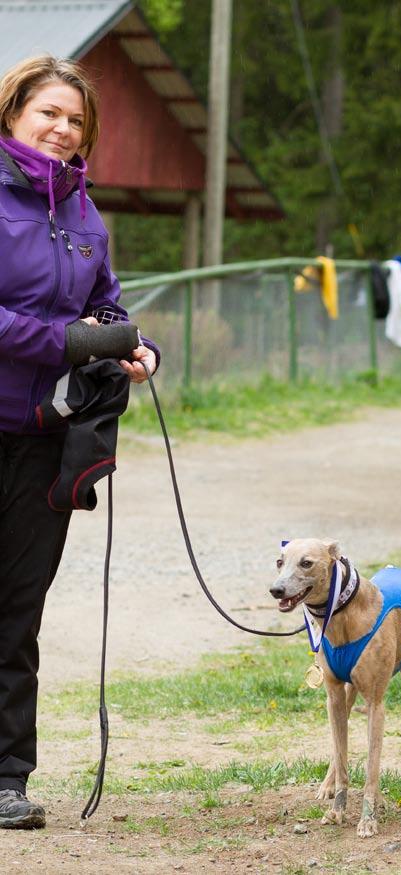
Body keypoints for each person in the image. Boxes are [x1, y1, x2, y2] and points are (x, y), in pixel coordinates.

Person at [0, 55, 159, 829]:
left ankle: (6, 778)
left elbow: (107, 303)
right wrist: (69, 342)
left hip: (41, 443)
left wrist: (136, 345)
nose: (62, 129)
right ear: (12, 114)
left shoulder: (85, 214)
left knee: (17, 612)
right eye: (48, 113)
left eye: (75, 120)